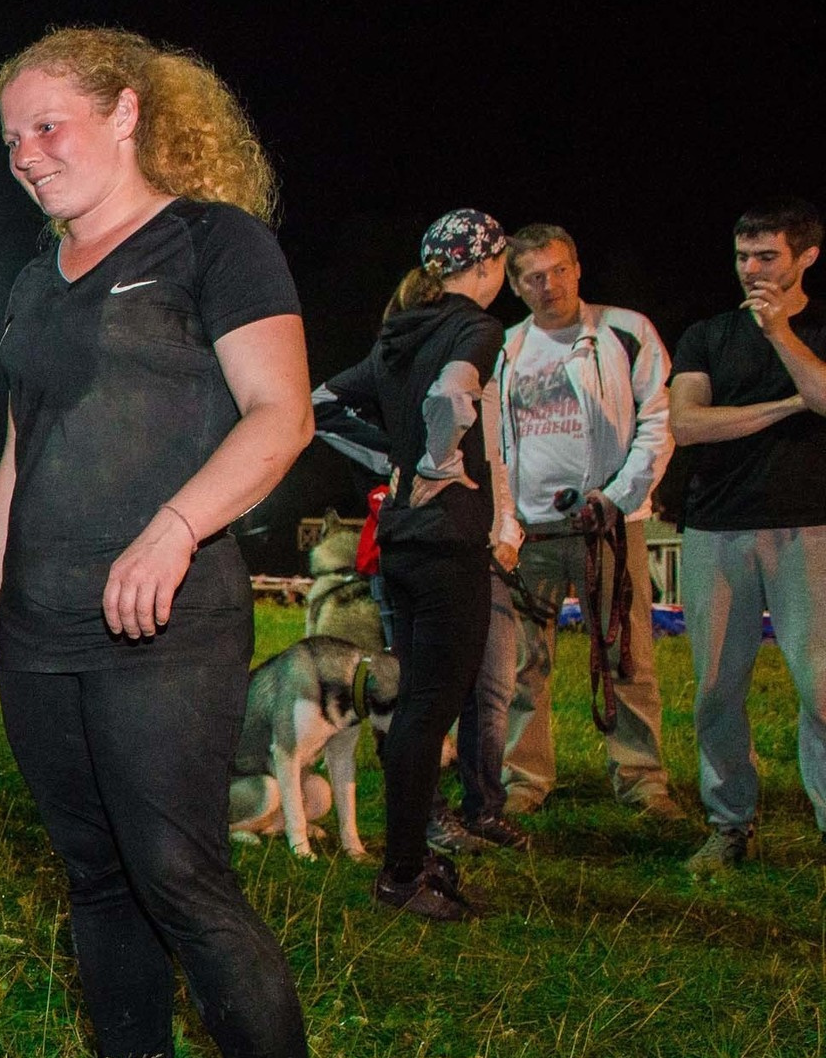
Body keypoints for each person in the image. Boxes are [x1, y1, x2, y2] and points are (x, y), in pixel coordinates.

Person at [0, 27, 331, 1058]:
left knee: (179, 877)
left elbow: (281, 418)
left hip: (167, 617)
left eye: (47, 125)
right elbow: (24, 448)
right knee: (94, 878)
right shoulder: (35, 272)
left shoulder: (216, 243)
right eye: (9, 137)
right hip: (40, 620)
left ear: (125, 112)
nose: (25, 154)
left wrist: (174, 528)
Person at [316, 212, 517, 920]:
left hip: (399, 541)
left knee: (417, 709)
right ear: (489, 264)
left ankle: (410, 858)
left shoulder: (401, 334)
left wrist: (395, 463)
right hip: (446, 541)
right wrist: (436, 464)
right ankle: (403, 874)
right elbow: (451, 397)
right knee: (431, 709)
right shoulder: (475, 329)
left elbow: (324, 406)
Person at [452, 223, 681, 835]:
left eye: (557, 270)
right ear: (516, 285)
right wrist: (504, 520)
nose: (547, 284)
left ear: (577, 268)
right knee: (523, 662)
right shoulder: (502, 348)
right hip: (528, 531)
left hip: (606, 525)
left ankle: (642, 777)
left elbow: (656, 424)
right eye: (531, 276)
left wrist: (617, 496)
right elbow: (491, 443)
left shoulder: (626, 333)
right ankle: (525, 778)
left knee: (626, 653)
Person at [667, 198, 826, 870]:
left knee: (820, 685)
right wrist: (789, 404)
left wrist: (783, 337)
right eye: (743, 257)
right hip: (718, 528)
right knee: (715, 689)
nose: (752, 270)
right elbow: (687, 425)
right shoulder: (706, 334)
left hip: (810, 528)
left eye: (768, 257)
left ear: (805, 258)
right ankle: (730, 823)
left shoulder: (816, 329)